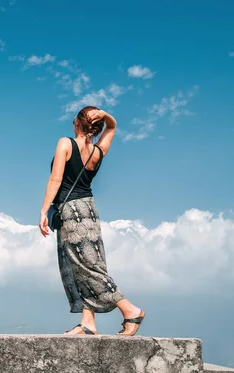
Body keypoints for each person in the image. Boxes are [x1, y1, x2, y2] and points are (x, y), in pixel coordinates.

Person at [38, 106, 145, 336]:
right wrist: (105, 115)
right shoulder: (97, 151)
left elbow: (56, 178)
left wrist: (44, 210)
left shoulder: (65, 143)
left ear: (77, 123)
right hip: (90, 210)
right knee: (87, 265)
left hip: (71, 212)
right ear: (95, 126)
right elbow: (113, 126)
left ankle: (130, 310)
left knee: (86, 267)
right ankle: (88, 322)